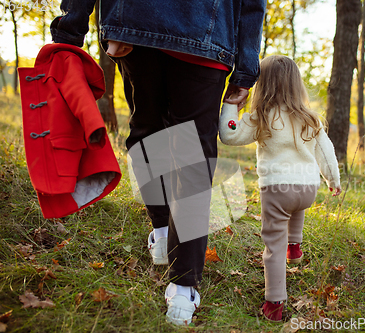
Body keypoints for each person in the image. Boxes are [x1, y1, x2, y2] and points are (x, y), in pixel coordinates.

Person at [50, 0, 265, 326]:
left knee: (147, 132)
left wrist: (70, 29)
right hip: (206, 33)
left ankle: (163, 233)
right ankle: (183, 286)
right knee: (192, 158)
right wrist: (246, 66)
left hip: (137, 22)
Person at [219, 55, 342, 321]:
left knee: (272, 244)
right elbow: (326, 153)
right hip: (308, 189)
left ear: (263, 85)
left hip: (277, 190)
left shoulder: (261, 116)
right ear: (297, 85)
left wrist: (230, 105)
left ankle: (274, 303)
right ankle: (295, 246)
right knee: (295, 206)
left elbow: (229, 135)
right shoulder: (311, 118)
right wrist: (334, 180)